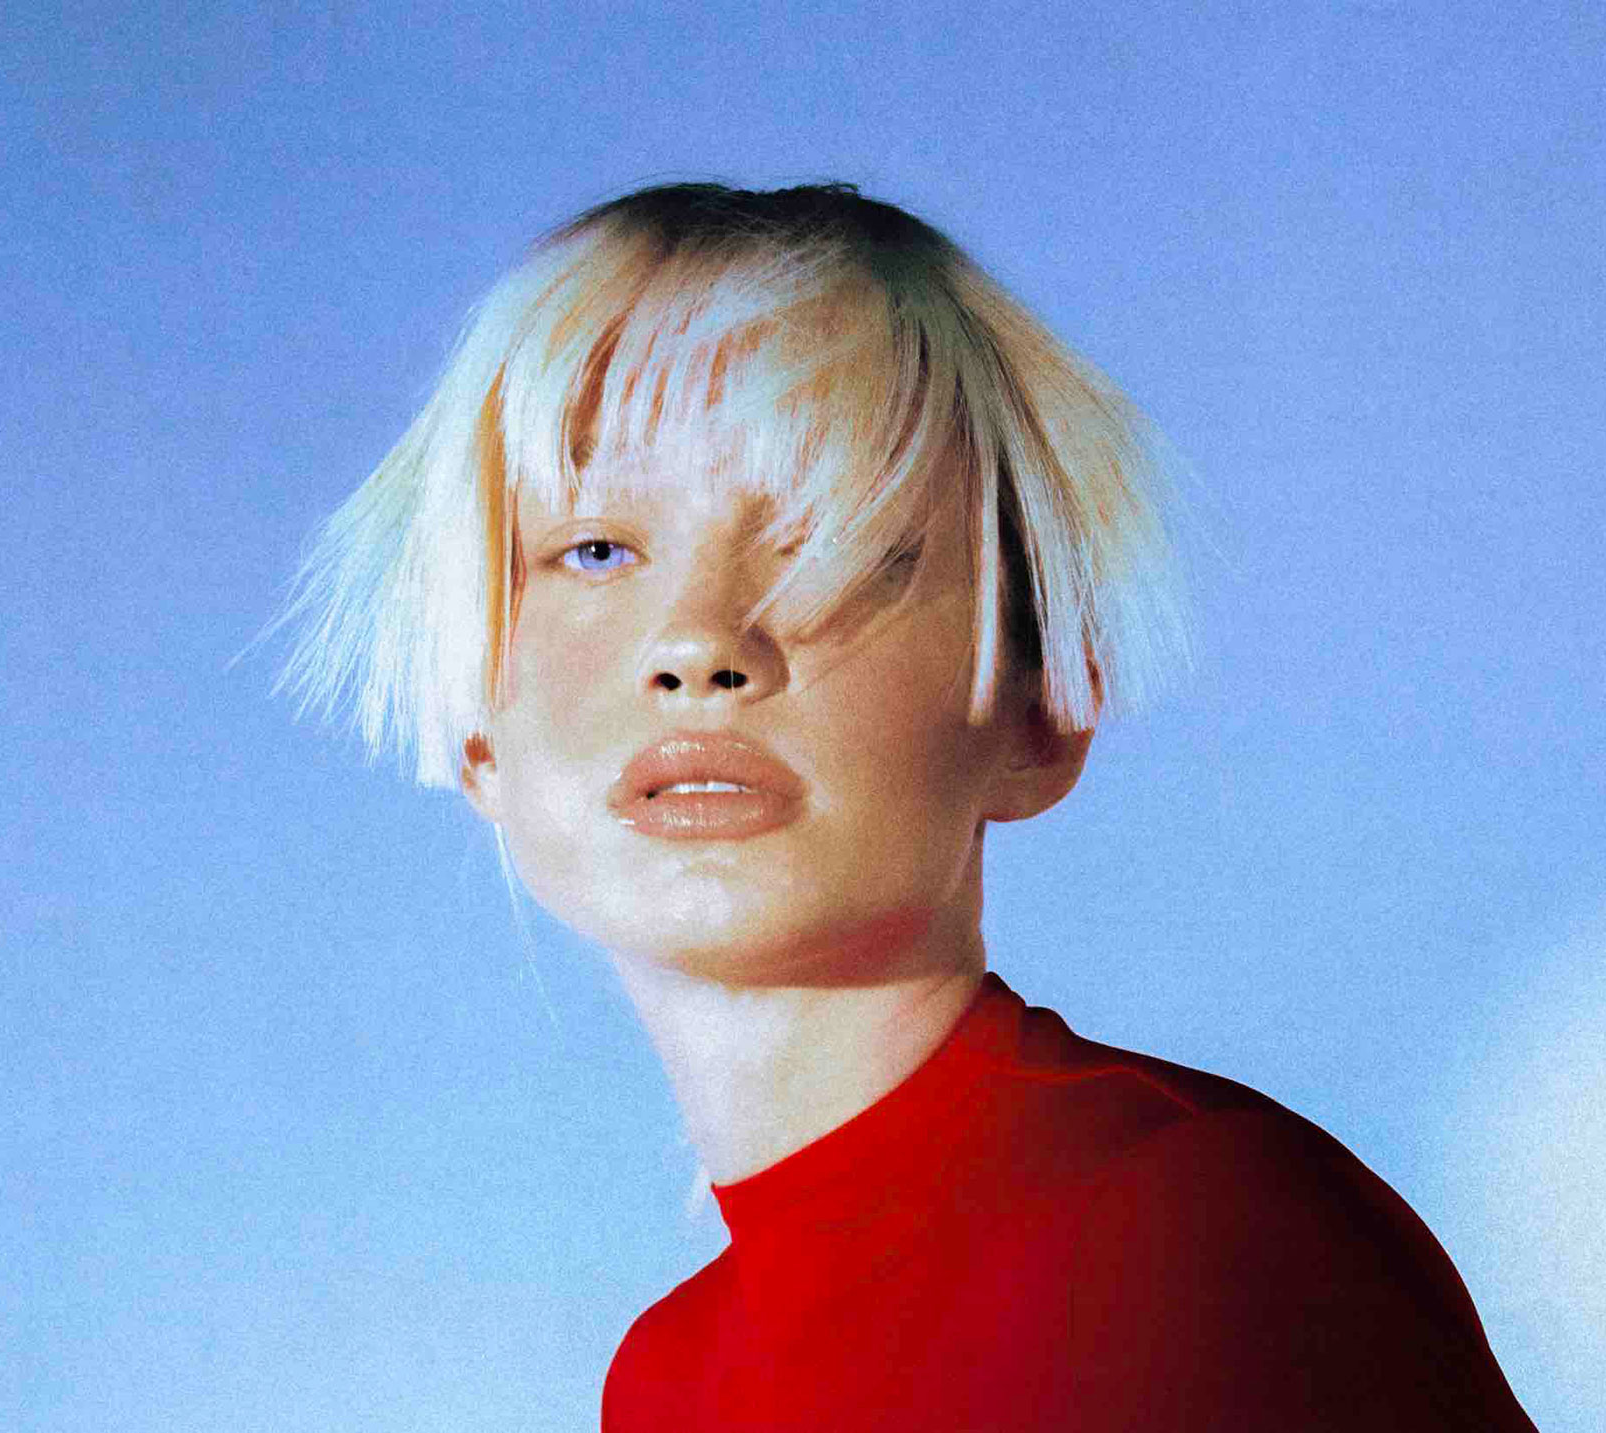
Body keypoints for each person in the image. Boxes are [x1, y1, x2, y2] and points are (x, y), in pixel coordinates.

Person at [277, 182, 1537, 1430]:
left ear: (1041, 711)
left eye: (833, 541)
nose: (700, 641)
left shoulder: (1183, 1220)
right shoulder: (666, 1380)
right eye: (596, 548)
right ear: (477, 736)